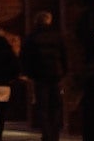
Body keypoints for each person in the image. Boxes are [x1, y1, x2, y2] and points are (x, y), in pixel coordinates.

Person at [22, 11, 68, 141]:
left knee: (42, 106)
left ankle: (46, 133)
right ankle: (54, 134)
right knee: (56, 105)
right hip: (55, 75)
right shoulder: (58, 36)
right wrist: (64, 71)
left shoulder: (31, 37)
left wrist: (28, 73)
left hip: (39, 76)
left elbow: (26, 57)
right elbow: (64, 55)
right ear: (49, 21)